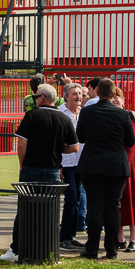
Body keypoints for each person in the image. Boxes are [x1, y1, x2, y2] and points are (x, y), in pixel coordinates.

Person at [1, 83, 78, 262]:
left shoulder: (32, 116)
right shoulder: (64, 119)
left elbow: (22, 144)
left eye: (36, 97)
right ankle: (47, 248)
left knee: (24, 209)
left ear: (42, 98)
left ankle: (17, 249)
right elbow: (74, 147)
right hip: (52, 170)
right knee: (49, 209)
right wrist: (57, 149)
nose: (35, 100)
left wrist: (22, 164)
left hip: (31, 169)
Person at [75, 78, 134, 260]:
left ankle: (91, 248)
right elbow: (130, 142)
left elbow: (80, 137)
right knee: (113, 206)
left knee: (94, 206)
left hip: (92, 164)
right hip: (116, 165)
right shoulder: (123, 114)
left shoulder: (87, 112)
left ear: (97, 93)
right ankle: (112, 249)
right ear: (114, 94)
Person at [110, 87, 135, 252]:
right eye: (112, 97)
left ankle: (134, 237)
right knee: (117, 199)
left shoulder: (132, 115)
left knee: (134, 197)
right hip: (115, 161)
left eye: (117, 97)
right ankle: (120, 236)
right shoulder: (109, 116)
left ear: (123, 100)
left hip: (133, 160)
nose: (114, 99)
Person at [58, 82, 87, 252]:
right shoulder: (61, 113)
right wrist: (59, 164)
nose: (79, 97)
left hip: (80, 162)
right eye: (75, 94)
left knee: (76, 200)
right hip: (66, 163)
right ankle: (63, 238)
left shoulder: (83, 113)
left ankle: (70, 235)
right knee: (71, 198)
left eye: (80, 94)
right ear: (66, 96)